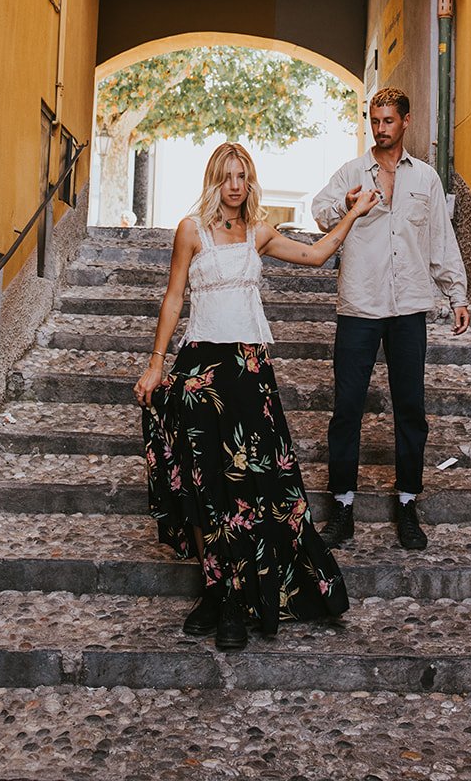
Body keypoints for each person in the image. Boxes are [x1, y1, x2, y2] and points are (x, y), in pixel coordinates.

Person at [134, 141, 379, 651]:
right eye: (225, 176)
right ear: (213, 181)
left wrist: (354, 212)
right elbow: (174, 297)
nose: (234, 185)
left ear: (250, 181)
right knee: (204, 488)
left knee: (252, 487)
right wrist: (157, 363)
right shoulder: (190, 231)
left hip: (249, 371)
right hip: (200, 371)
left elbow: (315, 255)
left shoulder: (259, 233)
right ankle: (217, 592)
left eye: (241, 175)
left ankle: (239, 595)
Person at [311, 86, 470, 552]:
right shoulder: (350, 172)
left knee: (410, 409)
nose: (380, 129)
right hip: (359, 307)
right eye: (374, 121)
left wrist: (457, 295)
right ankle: (342, 506)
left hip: (408, 309)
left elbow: (440, 241)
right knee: (346, 409)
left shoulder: (425, 179)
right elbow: (318, 212)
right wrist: (346, 204)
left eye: (388, 121)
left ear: (406, 122)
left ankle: (406, 504)